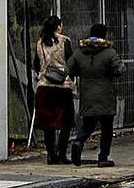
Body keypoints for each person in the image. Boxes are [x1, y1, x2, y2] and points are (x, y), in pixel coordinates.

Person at [66, 24, 126, 168]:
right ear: (104, 35)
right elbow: (119, 69)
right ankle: (103, 158)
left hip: (87, 95)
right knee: (106, 128)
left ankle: (78, 142)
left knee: (87, 125)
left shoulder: (80, 52)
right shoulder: (109, 52)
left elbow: (68, 68)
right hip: (105, 96)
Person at [32, 15, 75, 164]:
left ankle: (51, 155)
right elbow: (71, 62)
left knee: (47, 123)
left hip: (44, 86)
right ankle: (62, 153)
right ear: (58, 27)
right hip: (62, 86)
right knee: (66, 121)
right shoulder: (65, 41)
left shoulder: (40, 42)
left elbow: (36, 64)